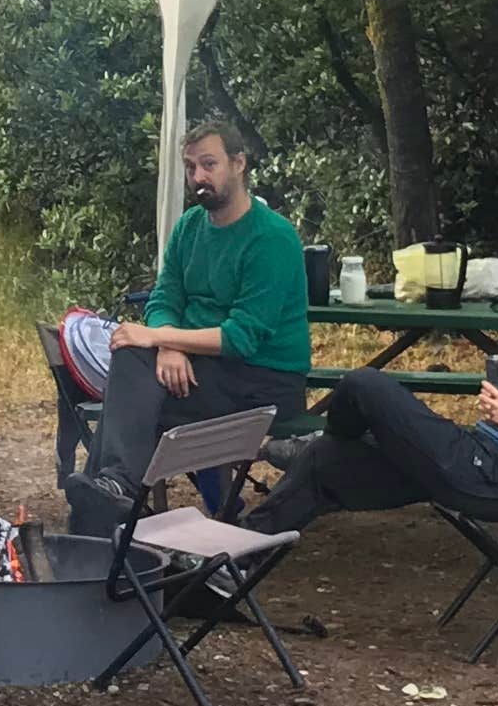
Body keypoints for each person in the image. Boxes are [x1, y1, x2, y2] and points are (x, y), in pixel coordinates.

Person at [247, 234, 498, 545]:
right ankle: (226, 566)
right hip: (485, 455)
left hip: (497, 477)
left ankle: (335, 434)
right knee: (324, 461)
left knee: (363, 384)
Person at [60, 118, 313, 535]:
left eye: (209, 165)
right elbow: (164, 300)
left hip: (263, 382)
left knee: (131, 388)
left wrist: (159, 337)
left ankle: (102, 508)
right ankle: (107, 499)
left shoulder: (273, 238)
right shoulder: (190, 227)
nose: (199, 177)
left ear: (238, 164)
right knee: (132, 373)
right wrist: (169, 347)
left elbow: (240, 337)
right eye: (191, 167)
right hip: (199, 372)